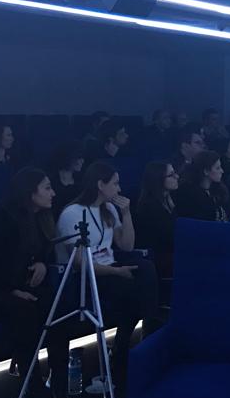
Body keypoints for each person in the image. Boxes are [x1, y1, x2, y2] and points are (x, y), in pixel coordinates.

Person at [0, 168, 77, 398]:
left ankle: (59, 383)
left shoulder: (40, 220)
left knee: (58, 308)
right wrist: (11, 290)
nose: (53, 193)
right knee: (24, 311)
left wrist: (42, 264)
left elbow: (40, 255)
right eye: (47, 188)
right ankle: (34, 388)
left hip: (22, 286)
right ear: (30, 192)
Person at [56, 161, 158, 386]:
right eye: (115, 183)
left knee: (146, 268)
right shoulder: (73, 213)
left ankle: (142, 336)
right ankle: (126, 348)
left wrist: (126, 213)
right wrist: (117, 271)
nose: (119, 189)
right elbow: (80, 263)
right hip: (84, 276)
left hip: (109, 265)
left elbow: (127, 246)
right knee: (131, 290)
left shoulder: (109, 209)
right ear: (100, 185)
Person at [134, 161, 178, 279]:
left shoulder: (169, 201)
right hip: (157, 258)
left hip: (170, 253)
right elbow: (166, 237)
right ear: (158, 179)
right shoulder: (149, 207)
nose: (177, 177)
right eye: (171, 175)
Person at [174, 151, 229, 222]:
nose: (222, 171)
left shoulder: (219, 190)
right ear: (206, 171)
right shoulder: (189, 194)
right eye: (218, 168)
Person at [48, 141, 85, 217]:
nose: (82, 161)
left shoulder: (81, 182)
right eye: (78, 157)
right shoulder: (50, 182)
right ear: (69, 157)